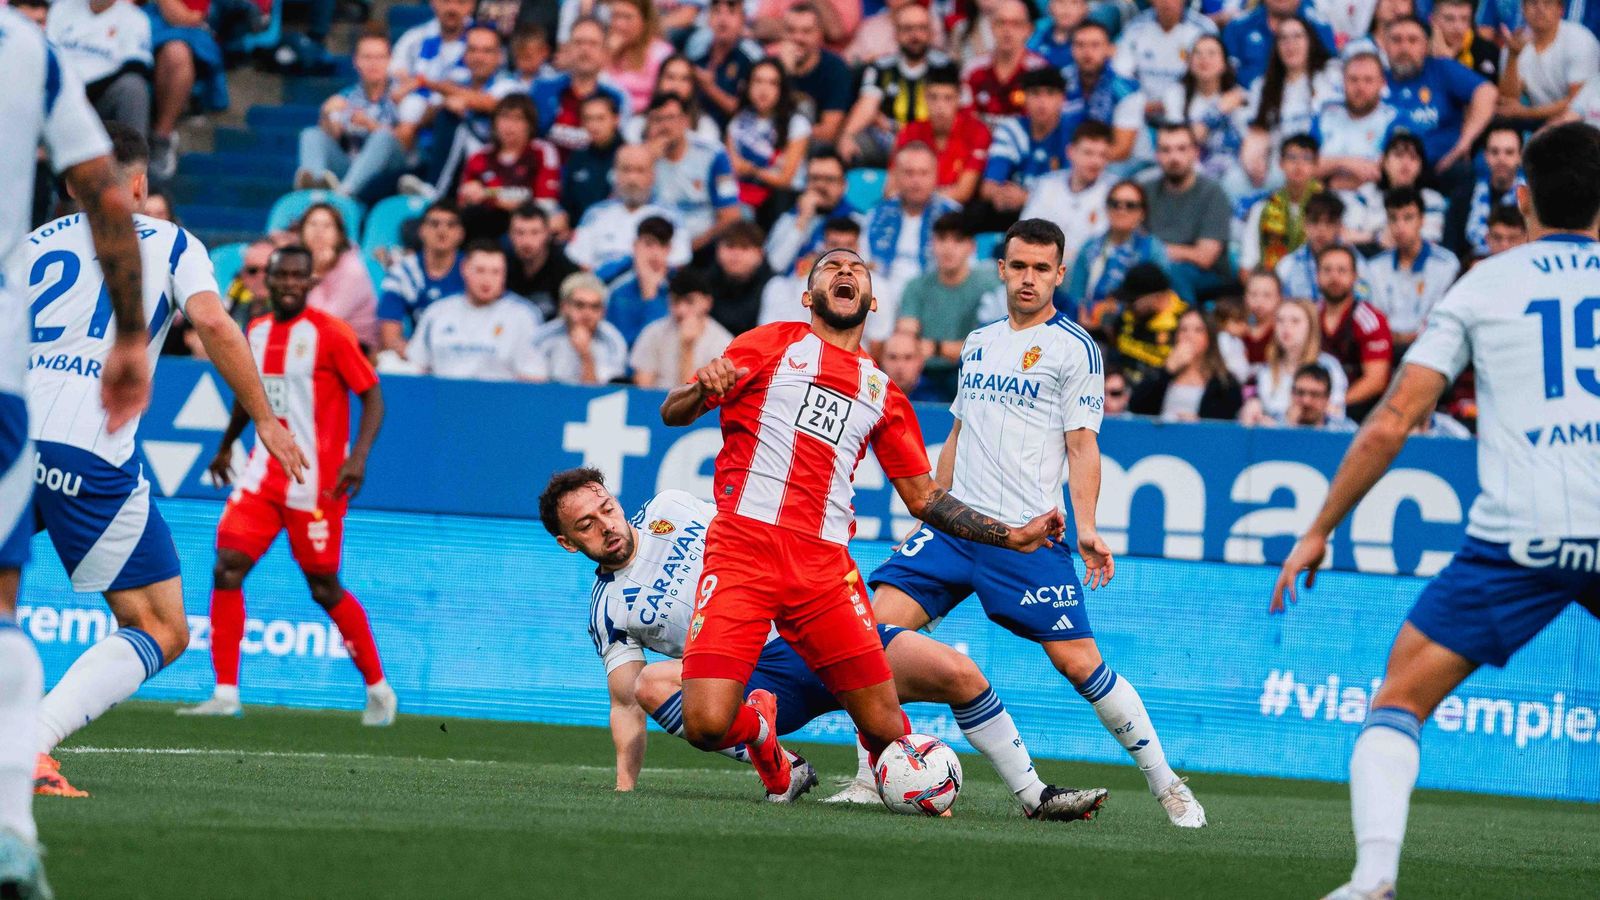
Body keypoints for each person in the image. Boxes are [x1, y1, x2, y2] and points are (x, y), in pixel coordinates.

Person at [1271, 119, 1600, 900]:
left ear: (1524, 199)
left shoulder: (1484, 284)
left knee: (1398, 698)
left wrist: (1319, 528)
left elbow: (1391, 421)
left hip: (1520, 537)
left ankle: (1373, 879)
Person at [656, 243, 1064, 802]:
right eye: (832, 266)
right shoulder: (768, 344)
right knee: (705, 723)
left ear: (872, 302)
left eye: (857, 268)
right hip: (743, 551)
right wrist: (703, 388)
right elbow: (672, 412)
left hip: (824, 571)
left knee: (886, 728)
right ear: (809, 297)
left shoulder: (882, 393)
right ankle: (762, 732)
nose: (845, 271)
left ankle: (921, 790)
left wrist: (1010, 535)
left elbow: (925, 498)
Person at [862, 218, 1208, 826]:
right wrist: (931, 507)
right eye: (1018, 266)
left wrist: (1088, 526)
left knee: (1081, 665)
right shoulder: (978, 342)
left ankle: (1167, 784)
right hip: (954, 528)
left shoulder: (1075, 348)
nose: (1028, 278)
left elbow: (1082, 445)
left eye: (1041, 269)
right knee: (869, 642)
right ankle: (871, 779)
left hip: (1025, 537)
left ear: (1059, 274)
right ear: (1001, 268)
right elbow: (958, 432)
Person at [541, 475, 1108, 818]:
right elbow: (625, 701)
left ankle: (1035, 796)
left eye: (606, 508)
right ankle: (774, 757)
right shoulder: (607, 610)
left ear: (616, 499)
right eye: (586, 525)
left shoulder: (671, 506)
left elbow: (754, 531)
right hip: (757, 676)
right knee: (650, 683)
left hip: (810, 627)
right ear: (569, 544)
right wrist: (624, 788)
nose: (605, 525)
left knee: (960, 673)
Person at [24, 126, 307, 799]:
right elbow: (214, 323)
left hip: (11, 433)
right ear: (140, 184)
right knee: (159, 626)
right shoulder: (171, 241)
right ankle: (29, 746)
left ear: (73, 185)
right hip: (87, 445)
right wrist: (264, 418)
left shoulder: (30, 245)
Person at [0, 21, 152, 888]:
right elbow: (99, 186)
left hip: (18, 390)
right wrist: (131, 336)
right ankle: (14, 823)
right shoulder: (30, 53)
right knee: (148, 622)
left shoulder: (34, 243)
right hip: (31, 400)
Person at [180, 246, 395, 724]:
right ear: (270, 281)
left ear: (311, 282)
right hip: (262, 477)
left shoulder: (330, 333)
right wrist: (226, 445)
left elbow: (373, 396)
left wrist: (358, 457)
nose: (290, 284)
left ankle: (378, 688)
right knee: (227, 567)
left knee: (323, 586)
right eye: (282, 276)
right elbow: (250, 398)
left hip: (316, 483)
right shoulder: (255, 331)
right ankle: (225, 692)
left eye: (300, 276)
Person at [863, 142, 963, 348]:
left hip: (934, 294)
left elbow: (965, 266)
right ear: (896, 176)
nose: (916, 181)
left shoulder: (953, 214)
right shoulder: (876, 214)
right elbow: (863, 261)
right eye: (909, 173)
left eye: (923, 173)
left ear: (935, 176)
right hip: (884, 297)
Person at [405, 242, 544, 380]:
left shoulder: (523, 316)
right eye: (480, 270)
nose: (487, 280)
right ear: (464, 269)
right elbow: (417, 367)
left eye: (496, 272)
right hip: (443, 393)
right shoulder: (437, 312)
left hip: (498, 393)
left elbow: (533, 376)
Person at [896, 213, 997, 399]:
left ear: (972, 247)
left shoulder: (988, 286)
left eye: (958, 240)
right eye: (942, 239)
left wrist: (936, 348)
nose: (948, 248)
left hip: (971, 372)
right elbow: (906, 336)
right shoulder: (916, 286)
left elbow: (988, 348)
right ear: (932, 243)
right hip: (923, 372)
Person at [297, 34, 408, 201]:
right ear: (356, 61)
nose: (373, 63)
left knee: (383, 136)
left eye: (380, 57)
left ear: (390, 60)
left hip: (391, 170)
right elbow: (334, 134)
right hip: (352, 165)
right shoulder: (347, 97)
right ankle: (314, 194)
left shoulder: (402, 93)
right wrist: (326, 115)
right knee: (311, 134)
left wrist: (370, 125)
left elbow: (406, 143)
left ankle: (344, 196)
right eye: (367, 57)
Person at [1380, 16, 1495, 178]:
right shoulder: (1374, 77)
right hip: (1387, 172)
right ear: (1385, 46)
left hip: (1441, 167)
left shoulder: (1441, 69)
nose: (1404, 47)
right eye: (1396, 40)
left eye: (1413, 40)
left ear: (1426, 46)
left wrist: (1465, 142)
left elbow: (1487, 91)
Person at [838, 3, 949, 168]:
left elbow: (949, 114)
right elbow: (867, 105)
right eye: (908, 29)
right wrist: (847, 135)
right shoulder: (882, 67)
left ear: (931, 33)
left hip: (932, 139)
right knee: (853, 143)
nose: (915, 35)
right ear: (896, 33)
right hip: (889, 140)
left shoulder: (945, 68)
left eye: (921, 28)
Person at [1239, 15, 1340, 188]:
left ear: (1311, 41)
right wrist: (1253, 160)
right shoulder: (1262, 87)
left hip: (1323, 163)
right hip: (1279, 168)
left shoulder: (1331, 76)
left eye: (1297, 36)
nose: (1290, 44)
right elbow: (1257, 133)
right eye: (1283, 39)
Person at [455, 94, 565, 241]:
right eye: (504, 117)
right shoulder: (479, 157)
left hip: (528, 228)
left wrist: (488, 194)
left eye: (518, 119)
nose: (509, 125)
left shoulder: (542, 152)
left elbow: (544, 205)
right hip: (485, 227)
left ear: (530, 124)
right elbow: (464, 200)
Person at [565, 143, 692, 270]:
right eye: (626, 170)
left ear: (652, 175)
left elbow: (678, 262)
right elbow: (581, 262)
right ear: (614, 173)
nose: (632, 179)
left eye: (640, 170)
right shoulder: (595, 214)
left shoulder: (671, 217)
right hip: (599, 281)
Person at [1143, 124, 1234, 302]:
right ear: (1157, 155)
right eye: (1166, 150)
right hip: (1155, 270)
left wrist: (1158, 251)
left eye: (1182, 149)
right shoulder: (1146, 191)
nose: (1174, 157)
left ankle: (1185, 318)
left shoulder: (1213, 193)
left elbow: (1205, 257)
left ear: (1195, 153)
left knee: (1175, 271)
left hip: (1207, 276)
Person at [645, 92, 741, 255]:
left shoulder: (714, 155)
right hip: (654, 246)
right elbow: (622, 206)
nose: (664, 126)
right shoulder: (641, 156)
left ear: (685, 121)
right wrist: (646, 161)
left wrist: (687, 251)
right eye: (657, 119)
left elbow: (730, 215)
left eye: (671, 118)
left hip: (703, 246)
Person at [1367, 188, 1461, 349]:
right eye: (1393, 218)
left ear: (1422, 220)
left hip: (1431, 347)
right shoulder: (1375, 267)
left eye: (1408, 218)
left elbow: (1445, 317)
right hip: (1384, 348)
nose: (1400, 226)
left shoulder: (1446, 264)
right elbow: (1373, 317)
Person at [47, 0, 154, 141]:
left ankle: (133, 152)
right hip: (58, 92)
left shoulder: (134, 17)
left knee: (134, 86)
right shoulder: (61, 8)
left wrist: (86, 92)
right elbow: (45, 53)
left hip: (101, 97)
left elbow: (136, 67)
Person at [1067, 180, 1170, 326]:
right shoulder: (1090, 247)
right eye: (1115, 203)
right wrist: (1081, 313)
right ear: (1106, 208)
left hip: (1137, 327)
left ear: (1142, 213)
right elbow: (1075, 293)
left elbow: (1163, 296)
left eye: (1130, 205)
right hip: (1087, 326)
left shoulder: (1153, 248)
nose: (1121, 210)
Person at [892, 63, 992, 206]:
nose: (940, 106)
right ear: (924, 98)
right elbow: (891, 189)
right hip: (912, 209)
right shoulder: (909, 131)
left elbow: (962, 193)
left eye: (948, 98)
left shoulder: (977, 131)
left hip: (956, 213)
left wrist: (916, 194)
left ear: (959, 99)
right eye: (933, 97)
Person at [1019, 121, 1116, 269]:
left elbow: (1105, 247)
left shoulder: (1114, 192)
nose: (1096, 161)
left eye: (1103, 155)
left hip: (1086, 271)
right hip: (1041, 266)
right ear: (1070, 152)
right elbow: (1025, 233)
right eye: (1088, 153)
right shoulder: (1046, 185)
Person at [529, 17, 631, 157]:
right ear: (567, 49)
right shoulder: (541, 89)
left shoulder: (618, 98)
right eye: (578, 42)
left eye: (593, 43)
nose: (585, 49)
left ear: (605, 52)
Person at [725, 60, 810, 226]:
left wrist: (751, 169)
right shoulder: (738, 121)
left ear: (782, 89)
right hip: (741, 195)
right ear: (747, 86)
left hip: (781, 201)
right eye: (758, 81)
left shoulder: (797, 124)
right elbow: (729, 166)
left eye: (772, 83)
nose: (763, 89)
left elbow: (785, 179)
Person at [1163, 34, 1251, 194]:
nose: (1204, 59)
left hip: (1233, 171)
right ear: (1189, 62)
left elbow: (1247, 143)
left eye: (1212, 53)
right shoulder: (1175, 95)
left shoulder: (1239, 97)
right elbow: (1180, 143)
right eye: (1198, 53)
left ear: (1224, 64)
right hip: (1191, 169)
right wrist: (1218, 111)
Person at [1239, 297, 1348, 424]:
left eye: (1295, 321)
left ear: (1311, 326)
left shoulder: (1328, 366)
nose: (1286, 327)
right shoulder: (1266, 370)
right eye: (1280, 320)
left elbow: (1336, 415)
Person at [377, 200, 466, 355]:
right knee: (386, 360)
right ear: (421, 230)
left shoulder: (474, 270)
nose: (442, 231)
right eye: (434, 224)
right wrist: (421, 358)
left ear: (461, 233)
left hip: (469, 354)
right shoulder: (403, 272)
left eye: (451, 225)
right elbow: (389, 338)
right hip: (418, 356)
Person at [1316, 245, 1392, 419]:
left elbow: (1376, 381)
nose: (1334, 277)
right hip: (1313, 404)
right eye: (1327, 270)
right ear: (1317, 275)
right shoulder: (1309, 317)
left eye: (1342, 270)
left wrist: (1336, 404)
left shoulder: (1370, 320)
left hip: (1361, 412)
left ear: (1354, 276)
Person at [1496, 0, 1599, 124]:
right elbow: (1508, 102)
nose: (1540, 9)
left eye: (1548, 3)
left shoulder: (1580, 40)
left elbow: (1577, 102)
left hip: (1582, 123)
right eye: (1533, 3)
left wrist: (1526, 113)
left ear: (1560, 10)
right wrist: (1513, 56)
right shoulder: (1514, 43)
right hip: (1534, 122)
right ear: (1523, 9)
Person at [1341, 131, 1446, 249]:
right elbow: (1347, 235)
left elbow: (1431, 242)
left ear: (1421, 166)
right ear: (1384, 161)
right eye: (1398, 155)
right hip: (1369, 253)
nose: (1405, 163)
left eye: (1413, 158)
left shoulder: (1432, 200)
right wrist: (1378, 237)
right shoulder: (1366, 193)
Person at [630, 270, 734, 389]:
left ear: (707, 302)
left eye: (689, 301)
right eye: (676, 301)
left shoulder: (723, 343)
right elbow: (643, 387)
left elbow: (692, 395)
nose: (681, 310)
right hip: (656, 398)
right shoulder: (653, 332)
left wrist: (687, 348)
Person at [1312, 51, 1399, 194]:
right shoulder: (1326, 116)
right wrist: (1345, 163)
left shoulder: (1393, 119)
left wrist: (1329, 171)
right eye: (1353, 79)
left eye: (1368, 80)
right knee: (1278, 200)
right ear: (1343, 81)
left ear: (1382, 83)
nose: (1360, 87)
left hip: (1375, 201)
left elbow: (1384, 172)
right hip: (1322, 199)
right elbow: (1305, 166)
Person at [1238, 133, 1323, 275]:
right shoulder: (1262, 208)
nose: (1299, 165)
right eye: (1292, 158)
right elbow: (1247, 267)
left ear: (1316, 165)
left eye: (1306, 158)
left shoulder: (1330, 209)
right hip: (1272, 283)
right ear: (1280, 163)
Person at [765, 149, 858, 277]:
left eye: (829, 179)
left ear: (843, 185)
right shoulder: (790, 218)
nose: (820, 185)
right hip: (791, 286)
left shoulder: (856, 220)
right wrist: (802, 220)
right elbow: (775, 265)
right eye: (814, 178)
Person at [298, 203, 378, 348]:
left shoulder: (352, 270)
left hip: (356, 347)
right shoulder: (300, 261)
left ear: (339, 235)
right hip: (316, 342)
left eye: (327, 226)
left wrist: (317, 273)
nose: (318, 232)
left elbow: (323, 321)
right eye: (312, 224)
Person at [1064, 22, 1144, 164]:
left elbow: (1122, 149)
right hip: (1073, 158)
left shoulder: (1127, 89)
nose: (1087, 52)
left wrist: (1081, 163)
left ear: (1110, 49)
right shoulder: (1061, 81)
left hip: (1121, 162)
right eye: (1080, 45)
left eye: (1095, 45)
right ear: (1071, 49)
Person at [1114, 0, 1218, 109]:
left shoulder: (1203, 29)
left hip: (1190, 109)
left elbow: (1216, 76)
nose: (1167, 2)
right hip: (1143, 110)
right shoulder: (1135, 28)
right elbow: (1120, 74)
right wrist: (1141, 105)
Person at [759, 216, 861, 325]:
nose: (841, 252)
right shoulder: (805, 277)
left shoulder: (870, 281)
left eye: (848, 245)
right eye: (834, 244)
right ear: (824, 245)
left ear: (858, 246)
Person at [960, 0, 1049, 125]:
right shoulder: (972, 70)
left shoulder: (1040, 71)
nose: (1007, 31)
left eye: (1016, 24)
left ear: (1029, 29)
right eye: (1001, 23)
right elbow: (965, 119)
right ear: (992, 27)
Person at [530, 272, 629, 384]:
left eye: (595, 307)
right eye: (579, 305)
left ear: (603, 312)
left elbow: (604, 392)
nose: (587, 313)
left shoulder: (612, 342)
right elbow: (532, 385)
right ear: (564, 307)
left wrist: (586, 356)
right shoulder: (543, 337)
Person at [775, 2, 852, 144]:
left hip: (814, 146)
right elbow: (761, 118)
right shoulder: (771, 66)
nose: (798, 38)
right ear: (782, 33)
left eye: (806, 31)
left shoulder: (835, 68)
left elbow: (829, 131)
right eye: (791, 30)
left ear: (819, 34)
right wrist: (784, 73)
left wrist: (790, 133)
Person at [1277, 191, 1373, 300]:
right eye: (1315, 221)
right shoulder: (1288, 265)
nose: (1321, 229)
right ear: (1305, 224)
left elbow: (1366, 302)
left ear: (1339, 226)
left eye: (1329, 222)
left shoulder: (1357, 264)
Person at [684, 0, 764, 127]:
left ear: (742, 20)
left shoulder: (751, 62)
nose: (723, 19)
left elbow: (748, 113)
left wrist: (709, 88)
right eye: (717, 11)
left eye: (731, 12)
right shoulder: (697, 58)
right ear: (709, 19)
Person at [1222, 0, 1336, 89]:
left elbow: (1331, 73)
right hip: (1245, 104)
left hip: (1308, 103)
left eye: (1297, 36)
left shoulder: (1319, 26)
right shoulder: (1238, 26)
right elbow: (1224, 75)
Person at [1107, 262, 1189, 380]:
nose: (1127, 306)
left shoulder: (1186, 322)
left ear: (1156, 297)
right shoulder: (1126, 318)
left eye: (1133, 301)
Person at [602, 215, 676, 346]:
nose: (655, 253)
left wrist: (650, 294)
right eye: (649, 244)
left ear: (669, 250)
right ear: (635, 245)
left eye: (662, 245)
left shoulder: (676, 284)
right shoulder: (612, 277)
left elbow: (661, 344)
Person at [504, 203, 578, 320]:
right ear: (510, 235)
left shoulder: (565, 270)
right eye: (520, 233)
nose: (527, 241)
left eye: (535, 232)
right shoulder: (501, 266)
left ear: (547, 234)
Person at [559, 93, 623, 225]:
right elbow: (566, 204)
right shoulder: (577, 157)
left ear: (616, 119)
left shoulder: (629, 155)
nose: (594, 125)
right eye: (588, 119)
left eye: (600, 118)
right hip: (580, 230)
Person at [1461, 126, 1523, 259]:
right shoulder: (1464, 195)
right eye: (1495, 152)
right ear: (1486, 156)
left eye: (1509, 152)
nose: (1501, 159)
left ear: (1520, 156)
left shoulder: (1532, 200)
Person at [706, 220, 774, 337]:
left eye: (744, 247)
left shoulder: (774, 286)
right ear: (718, 249)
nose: (736, 254)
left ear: (760, 253)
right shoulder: (705, 281)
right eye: (730, 246)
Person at [603, 0, 673, 113]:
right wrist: (608, 54)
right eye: (615, 16)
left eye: (627, 17)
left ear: (644, 21)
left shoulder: (660, 53)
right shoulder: (605, 50)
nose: (619, 24)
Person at [1429, 0, 1499, 83]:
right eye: (1449, 19)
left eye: (1464, 19)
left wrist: (1448, 62)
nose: (1458, 26)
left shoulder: (1488, 51)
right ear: (1433, 20)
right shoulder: (1422, 49)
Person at [1277, 362, 1357, 429]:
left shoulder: (1346, 431)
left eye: (1315, 395)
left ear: (1327, 398)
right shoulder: (1274, 426)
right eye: (1300, 393)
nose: (1306, 401)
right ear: (1291, 393)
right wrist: (1289, 426)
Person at [879, 331, 947, 401]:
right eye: (893, 357)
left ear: (920, 361)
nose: (900, 365)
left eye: (908, 357)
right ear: (881, 360)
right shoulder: (872, 397)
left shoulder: (938, 398)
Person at [1241, 268, 1284, 362]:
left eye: (1267, 295)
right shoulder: (1236, 330)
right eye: (1253, 294)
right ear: (1245, 297)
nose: (1259, 302)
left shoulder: (1283, 332)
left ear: (1279, 298)